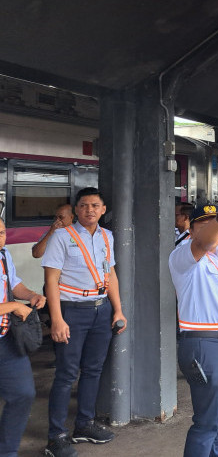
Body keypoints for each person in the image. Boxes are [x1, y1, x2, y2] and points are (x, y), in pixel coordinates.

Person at [42, 187, 127, 457]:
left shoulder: (106, 236)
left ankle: (84, 425)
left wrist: (118, 310)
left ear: (103, 210)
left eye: (95, 205)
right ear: (76, 210)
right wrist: (56, 319)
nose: (89, 210)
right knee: (66, 374)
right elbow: (51, 281)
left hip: (101, 309)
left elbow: (110, 273)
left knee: (93, 370)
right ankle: (56, 436)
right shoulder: (61, 237)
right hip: (71, 310)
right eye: (83, 205)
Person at [169, 199, 218, 457]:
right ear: (191, 230)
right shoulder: (183, 256)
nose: (213, 228)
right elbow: (203, 243)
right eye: (204, 223)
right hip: (206, 345)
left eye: (216, 223)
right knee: (207, 422)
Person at [0, 219, 47, 456]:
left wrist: (30, 295)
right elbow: (9, 303)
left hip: (6, 339)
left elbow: (13, 283)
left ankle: (7, 452)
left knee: (23, 394)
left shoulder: (4, 254)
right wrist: (12, 307)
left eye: (1, 233)